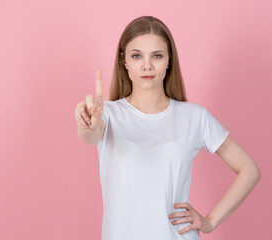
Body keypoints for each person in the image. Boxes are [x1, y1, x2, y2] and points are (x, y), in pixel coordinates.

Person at [74, 16, 261, 240]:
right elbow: (90, 135)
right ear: (124, 61)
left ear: (169, 60)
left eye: (157, 56)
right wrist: (87, 123)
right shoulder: (107, 115)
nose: (147, 65)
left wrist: (209, 221)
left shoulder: (195, 117)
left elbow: (250, 170)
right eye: (136, 56)